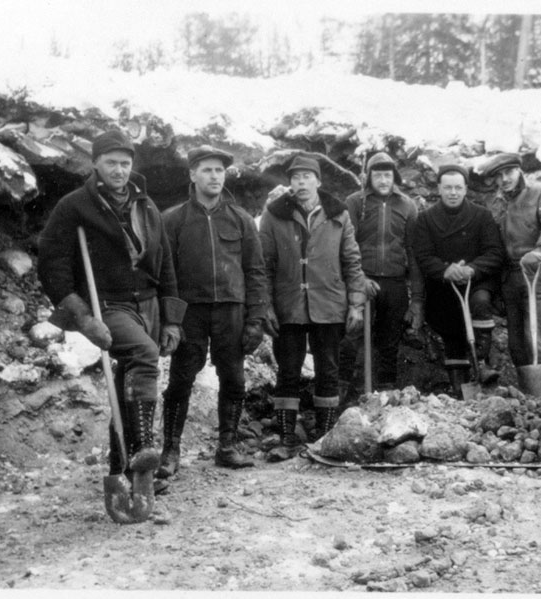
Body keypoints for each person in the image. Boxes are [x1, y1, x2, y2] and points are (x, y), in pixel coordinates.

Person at [38, 130, 185, 490]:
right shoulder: (74, 205)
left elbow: (164, 263)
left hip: (148, 302)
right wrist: (83, 318)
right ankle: (144, 450)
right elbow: (51, 266)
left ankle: (126, 473)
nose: (119, 170)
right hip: (108, 305)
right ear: (95, 164)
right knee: (143, 354)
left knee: (127, 386)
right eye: (111, 163)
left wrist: (172, 320)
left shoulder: (146, 206)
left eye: (125, 163)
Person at [158, 146, 268, 479]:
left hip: (231, 312)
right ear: (192, 175)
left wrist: (256, 318)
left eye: (219, 170)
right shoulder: (172, 219)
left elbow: (256, 271)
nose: (214, 176)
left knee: (233, 379)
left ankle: (228, 447)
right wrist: (170, 318)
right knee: (180, 380)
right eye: (206, 170)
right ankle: (170, 451)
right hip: (189, 312)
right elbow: (164, 273)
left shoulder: (241, 219)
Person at [260, 154, 366, 455]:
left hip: (329, 303)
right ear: (289, 183)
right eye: (295, 178)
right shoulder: (273, 215)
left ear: (318, 181)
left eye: (307, 176)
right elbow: (264, 264)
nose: (301, 182)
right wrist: (265, 305)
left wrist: (355, 304)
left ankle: (326, 437)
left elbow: (352, 261)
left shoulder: (338, 214)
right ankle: (286, 438)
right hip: (288, 306)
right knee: (288, 370)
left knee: (328, 370)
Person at [338, 152, 425, 397]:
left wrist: (417, 299)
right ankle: (341, 396)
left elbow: (414, 253)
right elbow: (346, 245)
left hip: (395, 282)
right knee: (351, 335)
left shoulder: (407, 205)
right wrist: (358, 280)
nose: (383, 180)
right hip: (362, 280)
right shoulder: (355, 202)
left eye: (388, 175)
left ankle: (386, 396)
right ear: (369, 177)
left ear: (395, 177)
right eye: (378, 175)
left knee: (389, 341)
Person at [412, 163, 504, 392]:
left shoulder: (481, 216)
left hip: (477, 281)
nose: (453, 193)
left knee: (480, 302)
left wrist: (471, 269)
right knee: (451, 327)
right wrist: (446, 270)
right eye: (448, 188)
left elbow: (494, 252)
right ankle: (461, 390)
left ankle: (481, 362)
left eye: (458, 188)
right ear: (439, 190)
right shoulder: (426, 219)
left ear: (465, 190)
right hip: (444, 285)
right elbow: (423, 256)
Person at [480, 152, 541, 373]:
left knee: (535, 336)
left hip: (537, 272)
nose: (504, 179)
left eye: (509, 172)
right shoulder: (497, 203)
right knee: (515, 342)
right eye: (498, 176)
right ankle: (527, 397)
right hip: (510, 277)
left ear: (519, 170)